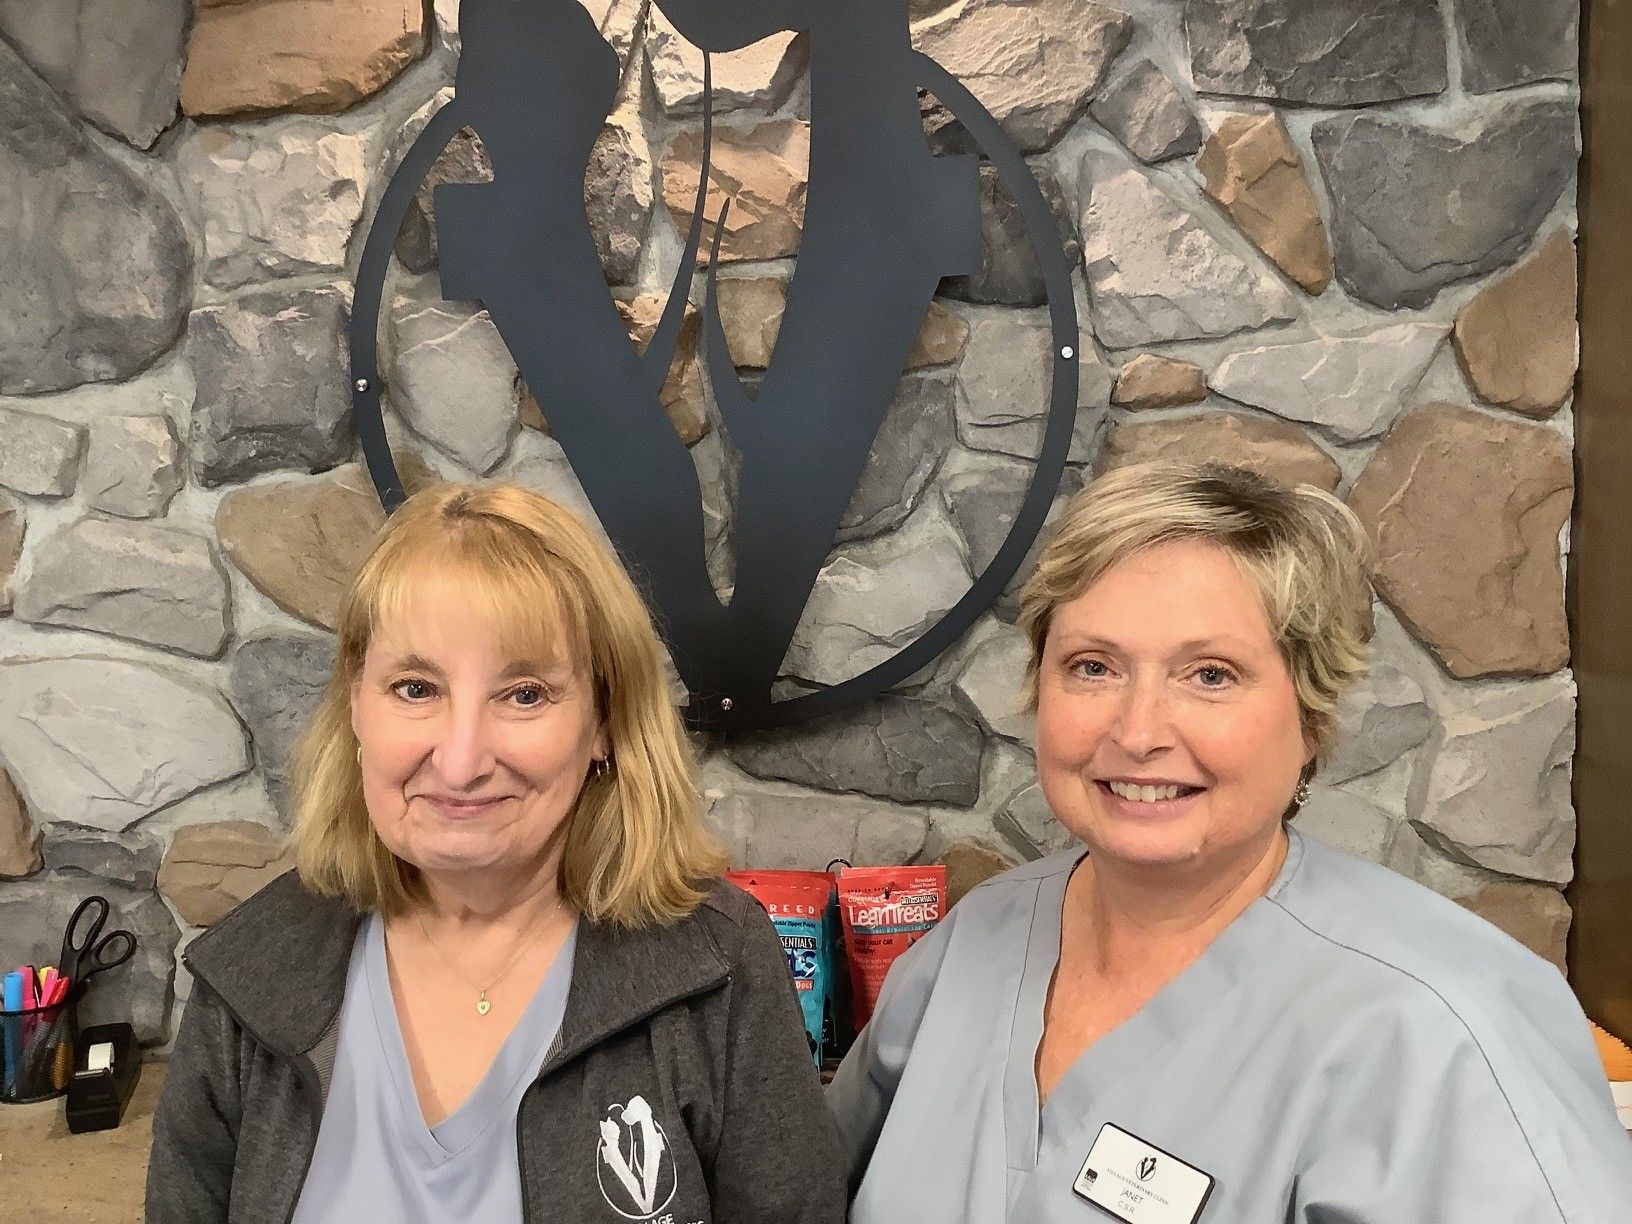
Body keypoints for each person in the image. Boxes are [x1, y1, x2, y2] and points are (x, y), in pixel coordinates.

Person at [828, 462, 1632, 1222]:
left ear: (1312, 716)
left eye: (1209, 674)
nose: (1138, 732)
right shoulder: (972, 947)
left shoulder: (1448, 1024)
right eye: (1093, 666)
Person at [147, 482, 845, 1224]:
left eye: (524, 695)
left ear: (605, 719)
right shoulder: (249, 975)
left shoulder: (720, 963)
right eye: (415, 688)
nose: (461, 760)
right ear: (356, 704)